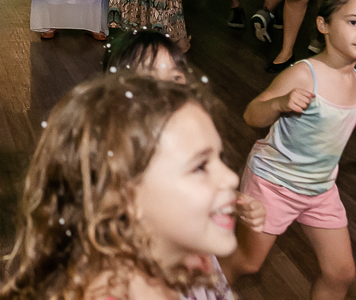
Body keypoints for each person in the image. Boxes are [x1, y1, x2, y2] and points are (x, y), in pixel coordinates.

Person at [222, 0, 356, 300]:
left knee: (341, 273)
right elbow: (252, 114)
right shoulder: (305, 74)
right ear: (323, 25)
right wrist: (280, 103)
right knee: (248, 263)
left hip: (320, 190)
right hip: (274, 184)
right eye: (354, 22)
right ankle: (195, 289)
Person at [0, 76, 240, 300]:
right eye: (200, 166)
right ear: (125, 196)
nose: (231, 178)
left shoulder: (188, 263)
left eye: (221, 157)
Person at [101, 29, 270, 300]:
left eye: (176, 77)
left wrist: (232, 201)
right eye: (149, 78)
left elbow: (181, 188)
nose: (230, 176)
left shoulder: (189, 133)